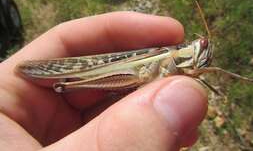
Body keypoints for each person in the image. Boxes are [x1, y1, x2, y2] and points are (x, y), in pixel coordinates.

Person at [0, 12, 207, 150]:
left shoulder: (181, 61)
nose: (202, 52)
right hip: (123, 70)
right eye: (201, 46)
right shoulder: (168, 54)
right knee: (71, 80)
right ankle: (66, 82)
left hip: (132, 78)